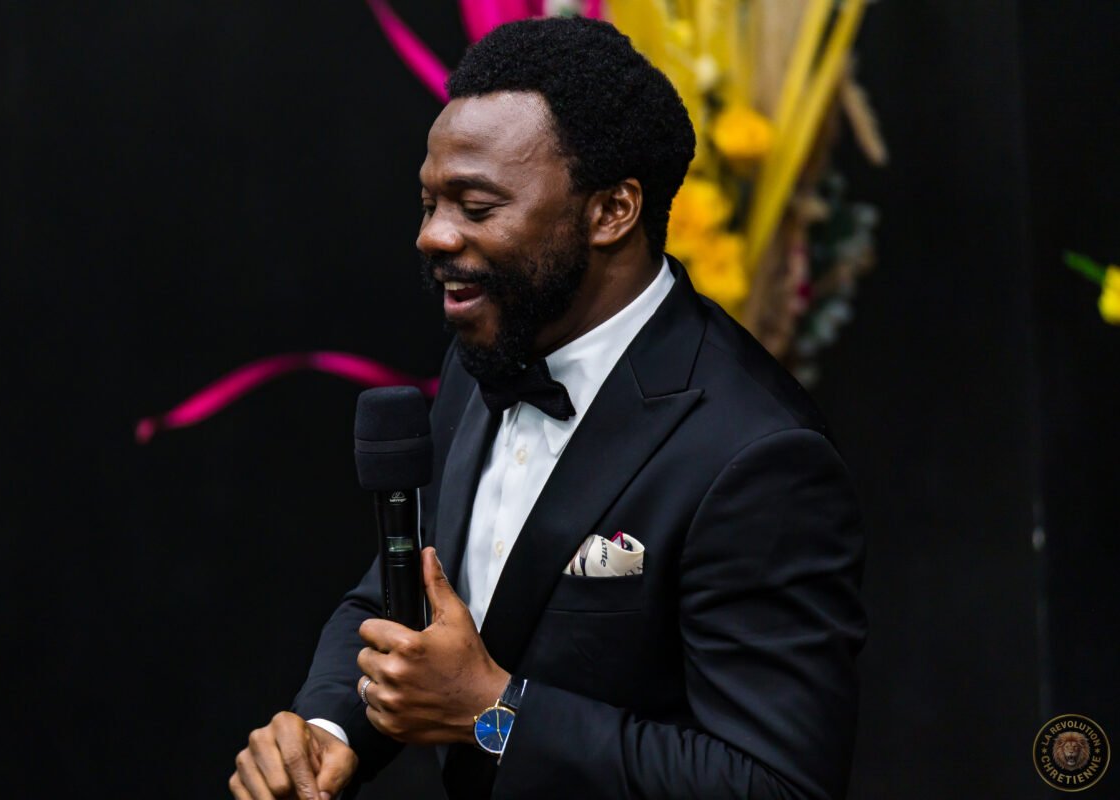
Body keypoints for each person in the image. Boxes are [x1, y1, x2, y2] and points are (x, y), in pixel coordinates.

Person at [230, 17, 866, 800]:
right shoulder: (486, 356)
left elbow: (776, 786)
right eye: (429, 203)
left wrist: (493, 715)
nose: (432, 236)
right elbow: (409, 583)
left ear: (611, 211)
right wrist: (326, 731)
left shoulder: (756, 454)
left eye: (474, 205)